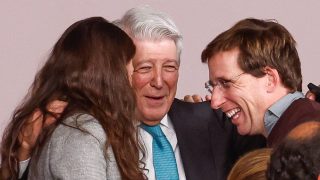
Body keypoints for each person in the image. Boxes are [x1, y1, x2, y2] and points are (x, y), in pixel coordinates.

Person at [15, 7, 265, 180]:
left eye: (169, 67)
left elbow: (279, 148)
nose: (159, 81)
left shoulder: (212, 120)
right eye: (144, 68)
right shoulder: (84, 130)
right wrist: (23, 155)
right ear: (117, 69)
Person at [0, 17, 144, 179]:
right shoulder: (81, 134)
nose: (132, 82)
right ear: (111, 76)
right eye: (129, 71)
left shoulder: (83, 130)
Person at [201, 18, 320, 148]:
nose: (215, 102)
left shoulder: (308, 138)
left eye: (225, 83)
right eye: (212, 87)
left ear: (270, 79)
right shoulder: (288, 130)